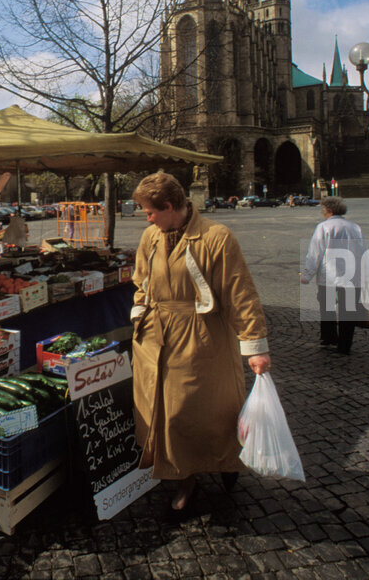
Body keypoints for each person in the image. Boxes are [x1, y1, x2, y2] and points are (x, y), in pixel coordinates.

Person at [130, 172, 271, 512]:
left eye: (150, 211)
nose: (145, 218)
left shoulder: (216, 237)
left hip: (202, 339)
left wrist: (254, 345)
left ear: (168, 205)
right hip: (156, 339)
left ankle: (228, 462)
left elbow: (240, 294)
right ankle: (183, 477)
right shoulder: (151, 237)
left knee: (209, 411)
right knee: (167, 415)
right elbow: (141, 281)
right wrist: (139, 313)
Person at [300, 196, 366, 355]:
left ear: (328, 210)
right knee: (348, 311)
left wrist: (307, 275)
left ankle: (329, 338)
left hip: (329, 275)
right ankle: (345, 345)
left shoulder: (323, 227)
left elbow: (315, 253)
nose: (322, 212)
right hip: (351, 276)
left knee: (327, 308)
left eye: (323, 209)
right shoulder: (355, 227)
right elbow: (362, 252)